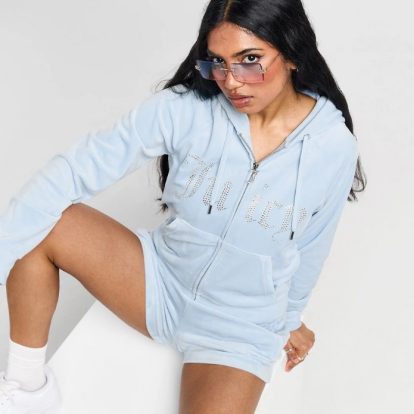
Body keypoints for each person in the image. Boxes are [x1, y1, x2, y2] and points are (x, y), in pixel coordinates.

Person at [0, 0, 367, 413]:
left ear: (293, 53)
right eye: (218, 62)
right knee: (44, 219)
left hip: (238, 327)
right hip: (158, 282)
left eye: (249, 60)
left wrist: (288, 320)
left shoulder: (333, 147)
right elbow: (74, 170)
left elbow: (312, 246)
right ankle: (26, 388)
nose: (231, 82)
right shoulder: (185, 108)